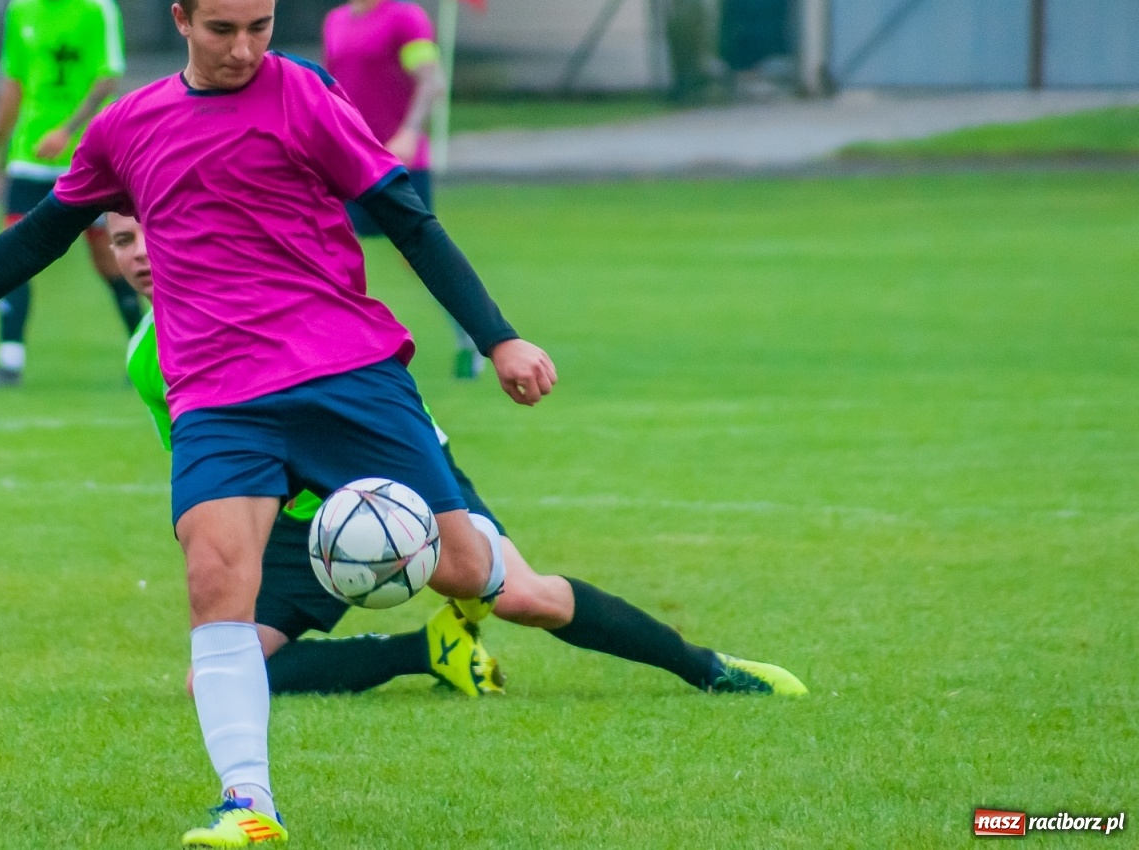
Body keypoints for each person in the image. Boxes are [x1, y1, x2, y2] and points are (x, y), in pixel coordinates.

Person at [0, 0, 556, 848]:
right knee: (214, 580)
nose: (244, 49)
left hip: (343, 370)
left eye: (261, 26)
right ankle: (249, 805)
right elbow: (40, 232)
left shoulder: (305, 96)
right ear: (181, 20)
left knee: (468, 566)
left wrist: (499, 337)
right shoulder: (129, 126)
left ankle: (489, 601)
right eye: (224, 29)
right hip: (218, 394)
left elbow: (408, 220)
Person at [108, 211, 807, 700]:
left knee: (525, 599)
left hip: (389, 483)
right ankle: (428, 653)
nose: (138, 253)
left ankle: (707, 668)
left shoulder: (271, 299)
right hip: (298, 521)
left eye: (149, 231)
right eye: (120, 240)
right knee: (218, 674)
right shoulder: (146, 357)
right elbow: (217, 475)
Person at [0, 0, 142, 388]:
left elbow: (108, 76)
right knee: (13, 252)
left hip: (89, 159)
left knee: (110, 258)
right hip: (28, 158)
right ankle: (10, 361)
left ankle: (145, 347)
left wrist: (68, 130)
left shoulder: (96, 6)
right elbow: (13, 84)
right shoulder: (21, 8)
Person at [322, 0, 482, 379]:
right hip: (348, 163)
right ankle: (336, 352)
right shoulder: (335, 21)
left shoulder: (404, 19)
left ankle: (471, 335)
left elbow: (431, 79)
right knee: (324, 251)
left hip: (397, 165)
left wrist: (410, 132)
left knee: (420, 258)